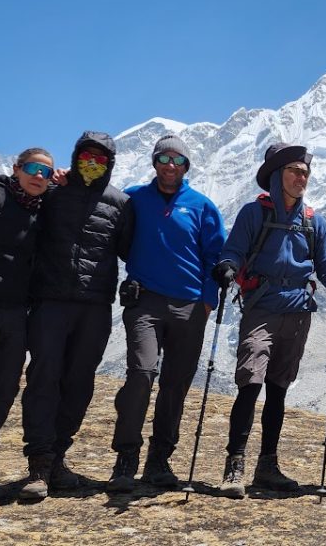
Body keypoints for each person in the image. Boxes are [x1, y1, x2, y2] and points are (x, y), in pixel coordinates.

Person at [212, 143, 326, 499]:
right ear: (277, 175)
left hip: (298, 312)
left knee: (278, 387)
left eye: (305, 172)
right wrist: (227, 266)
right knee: (251, 380)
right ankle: (235, 463)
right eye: (294, 170)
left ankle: (267, 464)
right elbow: (234, 250)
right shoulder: (253, 214)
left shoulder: (313, 220)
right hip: (261, 309)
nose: (301, 177)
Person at [107, 134, 226, 492]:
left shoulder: (202, 206)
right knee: (141, 373)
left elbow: (216, 258)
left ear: (187, 166)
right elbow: (116, 234)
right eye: (163, 158)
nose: (170, 165)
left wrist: (207, 301)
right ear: (154, 162)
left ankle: (159, 459)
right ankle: (126, 455)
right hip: (146, 302)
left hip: (190, 307)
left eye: (177, 160)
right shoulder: (133, 198)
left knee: (175, 384)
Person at [19, 133, 134, 500]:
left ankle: (58, 457)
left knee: (80, 383)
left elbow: (131, 250)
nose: (92, 163)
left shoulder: (120, 203)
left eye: (101, 158)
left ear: (110, 163)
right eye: (87, 156)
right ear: (76, 156)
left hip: (94, 305)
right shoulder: (54, 191)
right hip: (49, 300)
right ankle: (38, 463)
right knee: (43, 378)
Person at [0, 149, 54, 455]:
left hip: (17, 312)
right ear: (16, 169)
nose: (38, 176)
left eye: (46, 172)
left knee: (4, 390)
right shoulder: (0, 196)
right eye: (32, 168)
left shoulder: (41, 208)